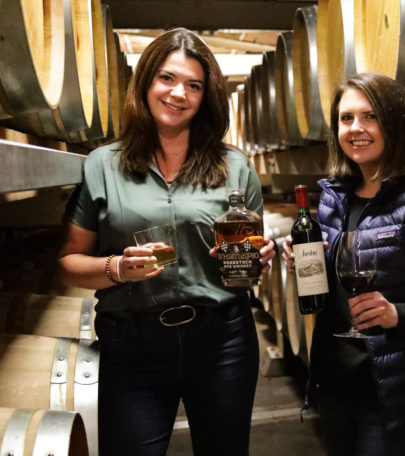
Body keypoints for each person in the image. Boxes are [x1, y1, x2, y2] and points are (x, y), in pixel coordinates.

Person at [57, 28, 274, 455]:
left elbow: (247, 264)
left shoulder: (235, 167)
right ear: (146, 83)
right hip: (131, 344)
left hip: (222, 340)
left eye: (194, 85)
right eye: (168, 78)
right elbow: (67, 263)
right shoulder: (104, 164)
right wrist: (115, 267)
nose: (179, 94)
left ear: (206, 96)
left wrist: (256, 262)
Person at [282, 72, 405, 455]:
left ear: (395, 122)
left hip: (395, 391)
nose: (356, 128)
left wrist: (396, 314)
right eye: (346, 118)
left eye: (370, 116)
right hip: (337, 383)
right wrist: (304, 264)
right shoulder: (332, 199)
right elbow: (334, 286)